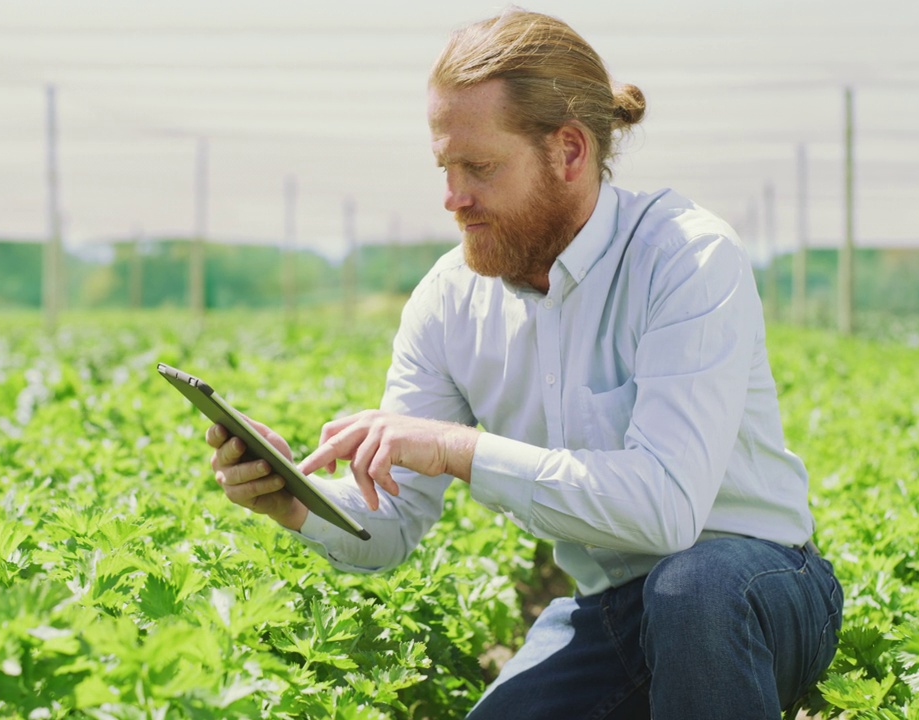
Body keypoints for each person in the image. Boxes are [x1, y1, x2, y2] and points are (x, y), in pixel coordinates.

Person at [206, 8, 843, 719]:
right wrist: (295, 501)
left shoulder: (686, 257)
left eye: (478, 167)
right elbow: (393, 523)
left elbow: (668, 512)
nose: (454, 199)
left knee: (693, 591)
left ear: (569, 151)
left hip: (758, 584)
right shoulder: (447, 303)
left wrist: (458, 447)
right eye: (446, 168)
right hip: (613, 609)